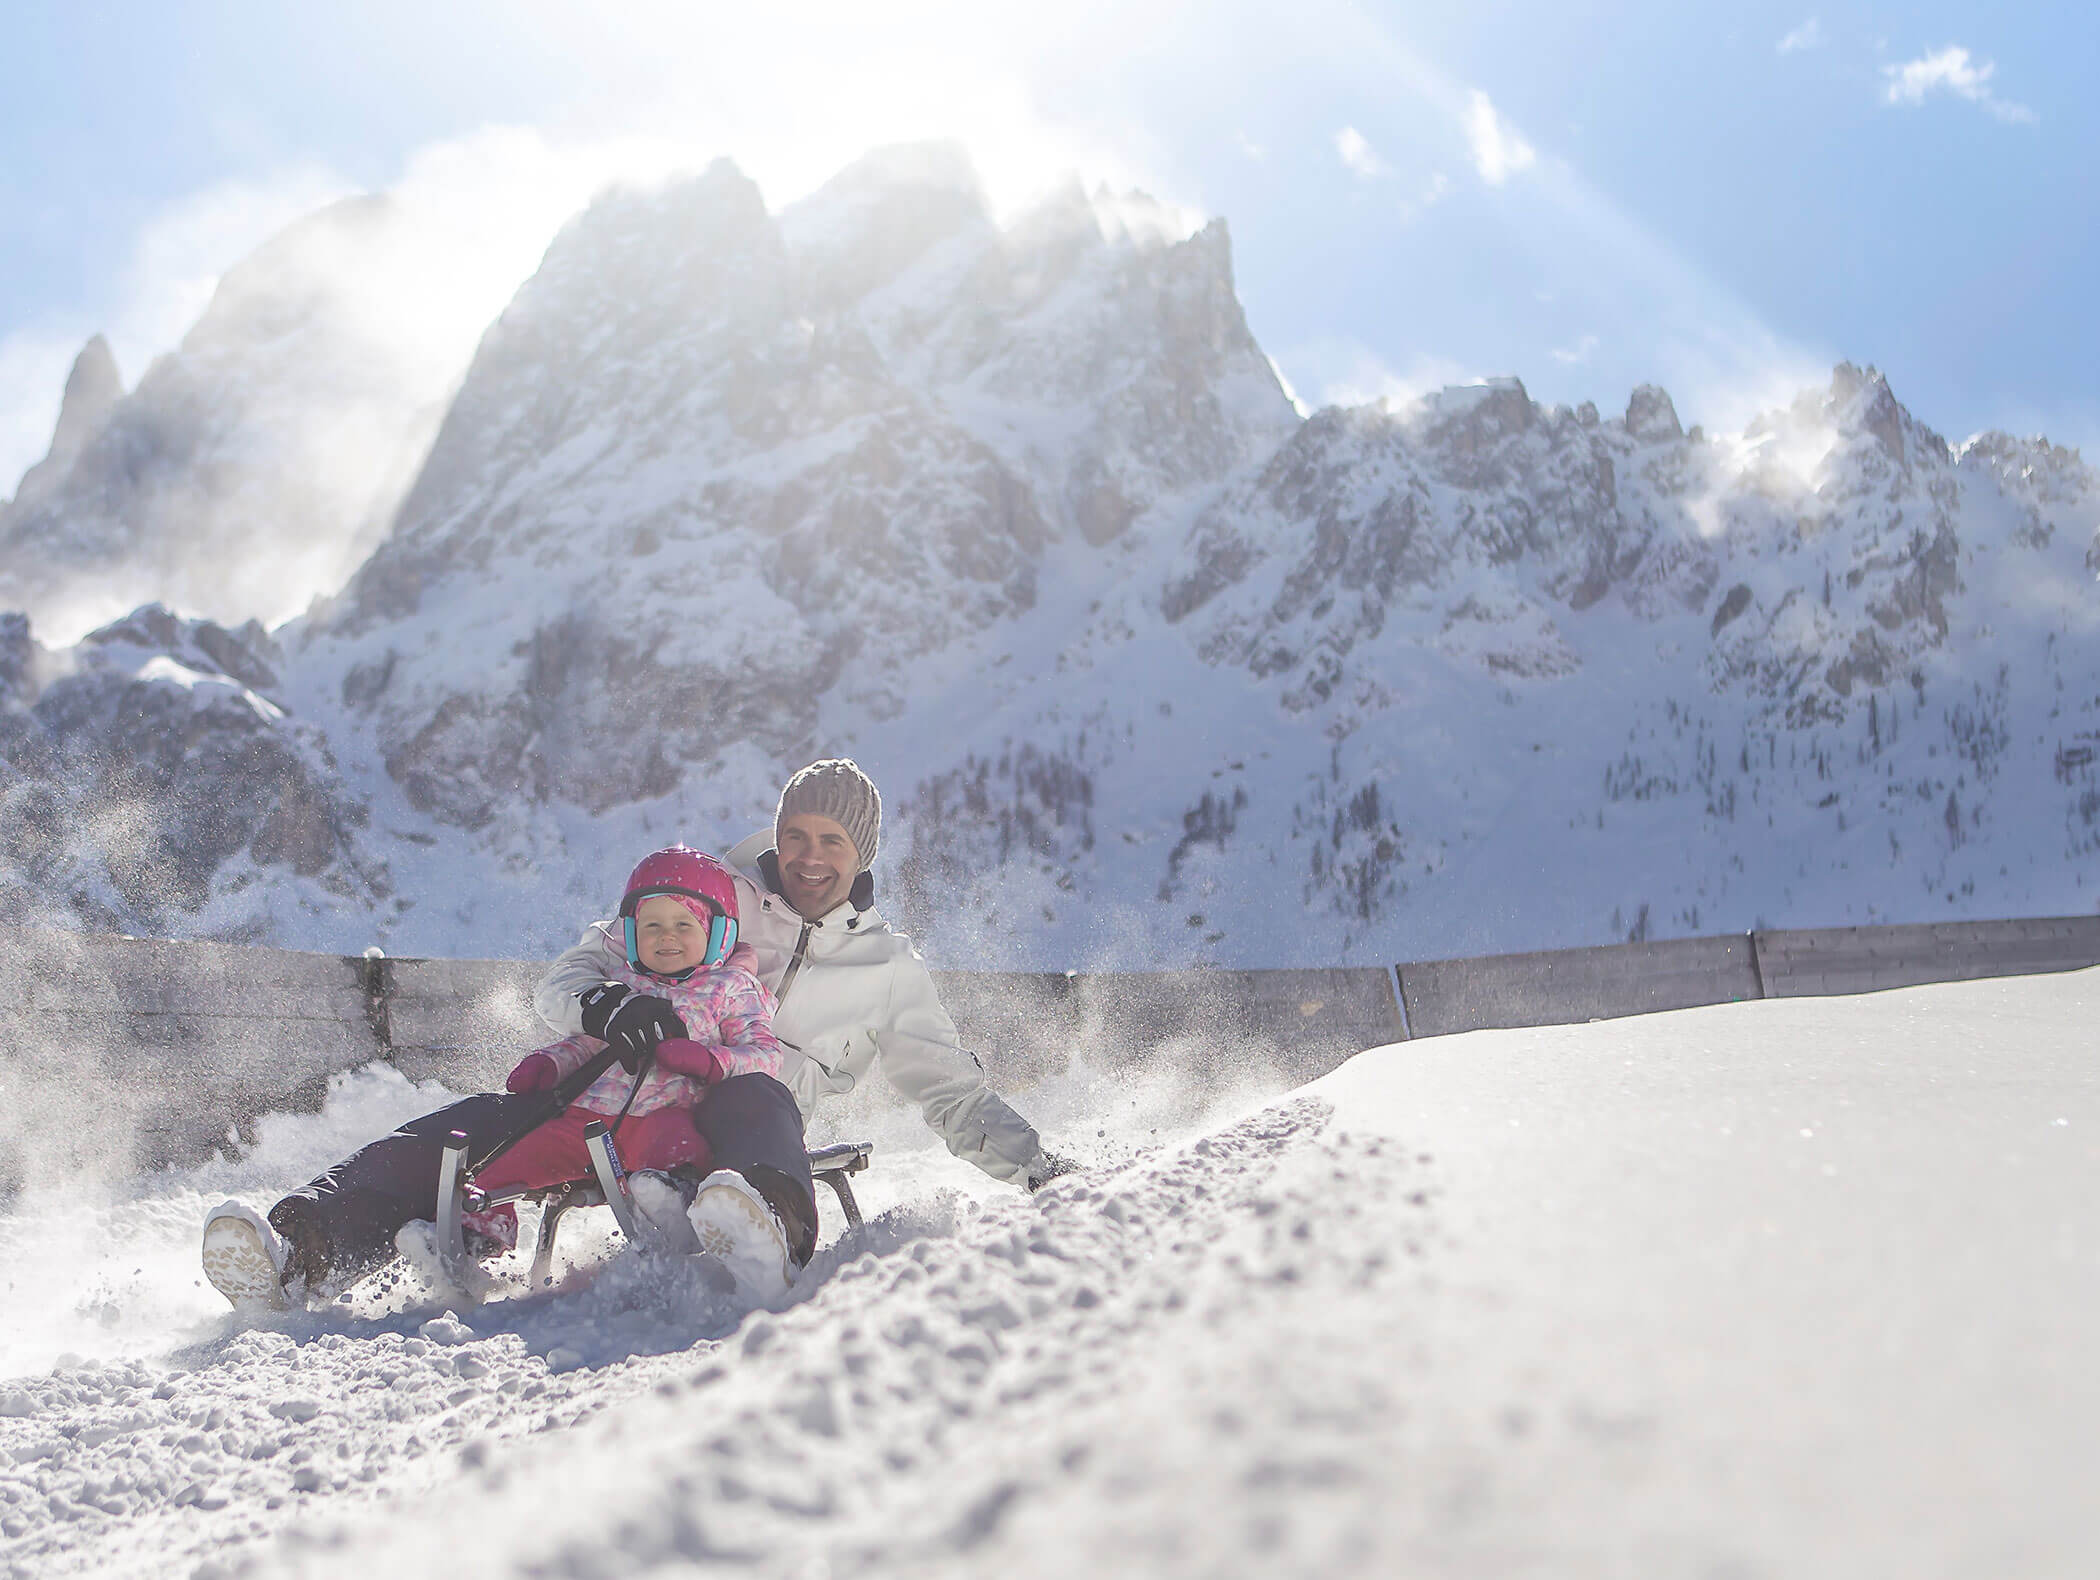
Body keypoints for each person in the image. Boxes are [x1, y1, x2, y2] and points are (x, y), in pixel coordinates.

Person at [201, 846, 814, 1309]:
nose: (667, 939)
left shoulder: (733, 984)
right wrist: (556, 1060)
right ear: (628, 932)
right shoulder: (615, 969)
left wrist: (709, 1062)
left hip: (686, 1119)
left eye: (685, 926)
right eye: (651, 927)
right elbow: (572, 1019)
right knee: (481, 1151)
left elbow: (762, 1052)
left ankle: (732, 1224)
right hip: (582, 1115)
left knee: (673, 1150)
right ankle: (308, 1253)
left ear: (720, 933)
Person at [538, 758, 1072, 1192]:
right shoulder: (715, 899)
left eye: (833, 841)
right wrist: (602, 1005)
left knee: (756, 1096)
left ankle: (762, 1228)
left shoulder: (887, 968)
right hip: (636, 1104)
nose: (809, 858)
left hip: (756, 1134)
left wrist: (1040, 1173)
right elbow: (576, 971)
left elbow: (952, 1093)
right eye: (796, 836)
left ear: (862, 854)